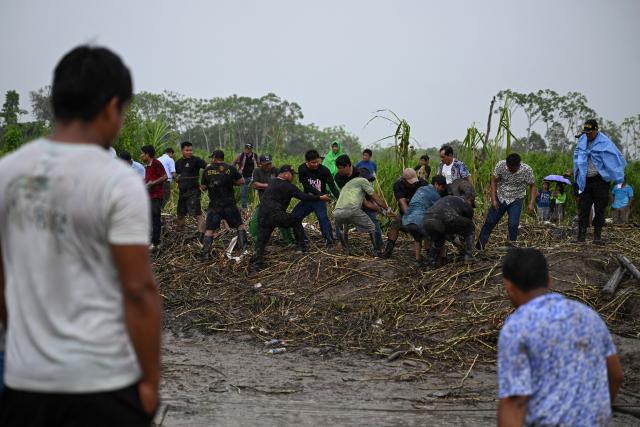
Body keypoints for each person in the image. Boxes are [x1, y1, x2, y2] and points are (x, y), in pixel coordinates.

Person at [0, 45, 161, 426]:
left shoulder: (8, 172)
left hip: (24, 383)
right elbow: (138, 290)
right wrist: (151, 383)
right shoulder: (117, 181)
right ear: (110, 107)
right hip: (103, 383)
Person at [497, 248, 623, 426]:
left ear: (508, 286)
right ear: (549, 281)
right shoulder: (588, 316)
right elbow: (616, 375)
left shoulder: (517, 327)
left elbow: (515, 403)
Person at [250, 165, 331, 272]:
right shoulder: (288, 186)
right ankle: (301, 247)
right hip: (276, 214)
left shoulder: (272, 182)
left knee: (261, 241)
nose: (293, 177)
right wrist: (320, 197)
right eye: (292, 174)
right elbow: (304, 196)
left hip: (263, 215)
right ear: (286, 173)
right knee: (296, 220)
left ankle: (255, 266)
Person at [573, 119, 627, 244]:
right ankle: (581, 237)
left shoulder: (605, 143)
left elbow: (613, 158)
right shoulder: (583, 141)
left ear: (596, 130)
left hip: (600, 182)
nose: (588, 135)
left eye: (590, 132)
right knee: (583, 208)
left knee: (600, 208)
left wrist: (617, 176)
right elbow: (577, 157)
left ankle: (597, 237)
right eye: (586, 133)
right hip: (585, 181)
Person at [477, 153, 536, 249]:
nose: (510, 170)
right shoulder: (501, 165)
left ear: (518, 165)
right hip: (501, 197)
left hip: (516, 198)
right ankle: (479, 246)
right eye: (509, 167)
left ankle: (512, 247)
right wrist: (494, 200)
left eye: (512, 168)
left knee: (513, 224)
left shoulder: (527, 170)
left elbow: (533, 186)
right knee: (490, 221)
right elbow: (494, 181)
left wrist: (531, 203)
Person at [199, 150, 247, 261]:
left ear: (215, 157)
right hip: (229, 204)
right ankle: (244, 249)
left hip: (214, 205)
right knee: (240, 225)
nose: (211, 159)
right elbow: (242, 181)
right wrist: (231, 182)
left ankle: (205, 255)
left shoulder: (208, 170)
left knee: (209, 230)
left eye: (212, 157)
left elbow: (203, 187)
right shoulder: (231, 168)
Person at [333, 168, 390, 255]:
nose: (369, 182)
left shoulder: (355, 184)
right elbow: (367, 203)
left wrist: (380, 209)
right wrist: (384, 209)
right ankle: (377, 250)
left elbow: (369, 202)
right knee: (371, 226)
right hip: (353, 208)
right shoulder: (359, 184)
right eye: (368, 180)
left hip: (341, 211)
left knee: (345, 228)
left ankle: (347, 250)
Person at [292, 150, 340, 249]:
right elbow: (307, 186)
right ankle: (302, 239)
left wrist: (340, 198)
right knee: (295, 217)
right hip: (308, 198)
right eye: (313, 163)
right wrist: (321, 195)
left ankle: (329, 241)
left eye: (317, 161)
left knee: (323, 219)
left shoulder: (324, 170)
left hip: (319, 201)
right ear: (307, 162)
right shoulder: (302, 169)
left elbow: (332, 187)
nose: (316, 164)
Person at [395, 175, 448, 262]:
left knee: (417, 237)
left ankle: (418, 258)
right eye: (442, 187)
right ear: (436, 184)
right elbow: (439, 212)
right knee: (438, 236)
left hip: (407, 221)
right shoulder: (436, 195)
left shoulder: (421, 189)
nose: (442, 189)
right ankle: (438, 259)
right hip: (419, 221)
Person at [380, 168, 430, 259]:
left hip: (422, 212)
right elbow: (402, 202)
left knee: (427, 228)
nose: (414, 183)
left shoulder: (423, 183)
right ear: (403, 180)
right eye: (410, 182)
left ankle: (429, 253)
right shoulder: (398, 185)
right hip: (406, 212)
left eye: (414, 181)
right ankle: (388, 250)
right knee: (395, 223)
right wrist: (410, 217)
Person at [249, 154, 295, 245]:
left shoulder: (276, 170)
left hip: (277, 203)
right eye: (266, 164)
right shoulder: (257, 171)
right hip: (264, 203)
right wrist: (270, 185)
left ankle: (289, 241)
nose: (268, 166)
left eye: (269, 163)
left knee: (282, 221)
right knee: (254, 223)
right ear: (260, 164)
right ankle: (258, 242)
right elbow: (255, 185)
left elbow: (285, 182)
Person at [423, 195, 476, 265]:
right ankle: (469, 256)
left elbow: (451, 230)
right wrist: (462, 240)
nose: (471, 206)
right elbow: (466, 227)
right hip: (444, 217)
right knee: (470, 227)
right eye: (472, 204)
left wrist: (455, 239)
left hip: (426, 219)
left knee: (439, 239)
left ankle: (431, 261)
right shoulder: (466, 203)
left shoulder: (449, 198)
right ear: (470, 200)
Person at [174, 141, 208, 237]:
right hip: (182, 193)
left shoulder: (196, 160)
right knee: (180, 214)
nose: (189, 152)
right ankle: (180, 235)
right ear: (182, 151)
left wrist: (204, 183)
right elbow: (176, 176)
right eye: (187, 150)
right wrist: (176, 178)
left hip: (194, 192)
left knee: (197, 214)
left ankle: (202, 235)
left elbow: (208, 168)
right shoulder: (178, 163)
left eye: (190, 150)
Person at [141, 145, 167, 250]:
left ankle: (155, 242)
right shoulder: (147, 166)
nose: (141, 155)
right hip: (149, 195)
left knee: (155, 217)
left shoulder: (156, 163)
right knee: (150, 218)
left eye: (142, 153)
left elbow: (165, 176)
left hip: (157, 195)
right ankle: (152, 240)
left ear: (148, 154)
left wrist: (152, 183)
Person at [233, 143, 258, 209]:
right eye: (246, 148)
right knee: (244, 194)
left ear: (251, 149)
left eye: (248, 148)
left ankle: (255, 207)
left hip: (252, 177)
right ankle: (245, 208)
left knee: (256, 194)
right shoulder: (240, 155)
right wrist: (235, 172)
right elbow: (233, 163)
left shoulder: (255, 156)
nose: (246, 149)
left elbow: (259, 165)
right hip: (243, 177)